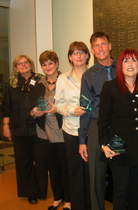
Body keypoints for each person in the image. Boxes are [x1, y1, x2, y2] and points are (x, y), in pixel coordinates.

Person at [99, 48, 138, 210]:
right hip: (118, 149)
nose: (130, 64)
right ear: (120, 65)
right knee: (120, 192)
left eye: (134, 60)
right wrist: (104, 144)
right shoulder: (110, 87)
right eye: (126, 60)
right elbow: (103, 120)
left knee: (136, 193)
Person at [78, 31, 116, 210]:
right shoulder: (89, 75)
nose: (100, 48)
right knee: (96, 175)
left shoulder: (124, 67)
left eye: (103, 44)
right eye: (96, 46)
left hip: (120, 125)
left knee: (121, 172)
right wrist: (82, 140)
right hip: (96, 126)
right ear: (92, 50)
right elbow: (85, 108)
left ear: (110, 46)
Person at [30, 50, 71, 210]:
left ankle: (68, 200)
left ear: (57, 63)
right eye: (44, 64)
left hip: (61, 131)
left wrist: (57, 109)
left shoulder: (65, 80)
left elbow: (70, 104)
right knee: (52, 168)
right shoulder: (39, 84)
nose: (47, 67)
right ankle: (57, 198)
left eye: (50, 63)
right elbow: (32, 108)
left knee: (64, 167)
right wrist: (34, 112)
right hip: (43, 132)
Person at [2, 55, 44, 204]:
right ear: (16, 67)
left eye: (26, 62)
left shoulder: (40, 80)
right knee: (23, 161)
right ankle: (29, 192)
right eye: (19, 64)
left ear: (31, 64)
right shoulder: (11, 84)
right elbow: (6, 106)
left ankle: (40, 190)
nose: (23, 65)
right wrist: (6, 125)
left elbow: (45, 100)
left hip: (38, 127)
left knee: (39, 161)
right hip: (18, 128)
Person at [55, 41, 91, 210]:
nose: (78, 56)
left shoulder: (94, 75)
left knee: (91, 172)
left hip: (91, 130)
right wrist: (71, 110)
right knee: (75, 171)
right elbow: (58, 104)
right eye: (74, 53)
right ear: (70, 57)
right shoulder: (62, 78)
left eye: (82, 52)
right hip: (71, 130)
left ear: (87, 56)